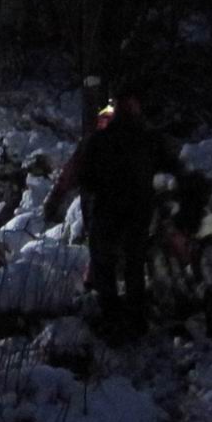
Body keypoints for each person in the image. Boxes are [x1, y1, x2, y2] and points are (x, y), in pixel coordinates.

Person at [46, 80, 193, 342]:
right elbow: (175, 166)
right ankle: (135, 320)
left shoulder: (101, 138)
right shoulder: (146, 137)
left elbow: (74, 171)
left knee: (105, 264)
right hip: (138, 208)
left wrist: (55, 200)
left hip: (109, 209)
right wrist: (184, 186)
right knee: (133, 263)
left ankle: (114, 320)